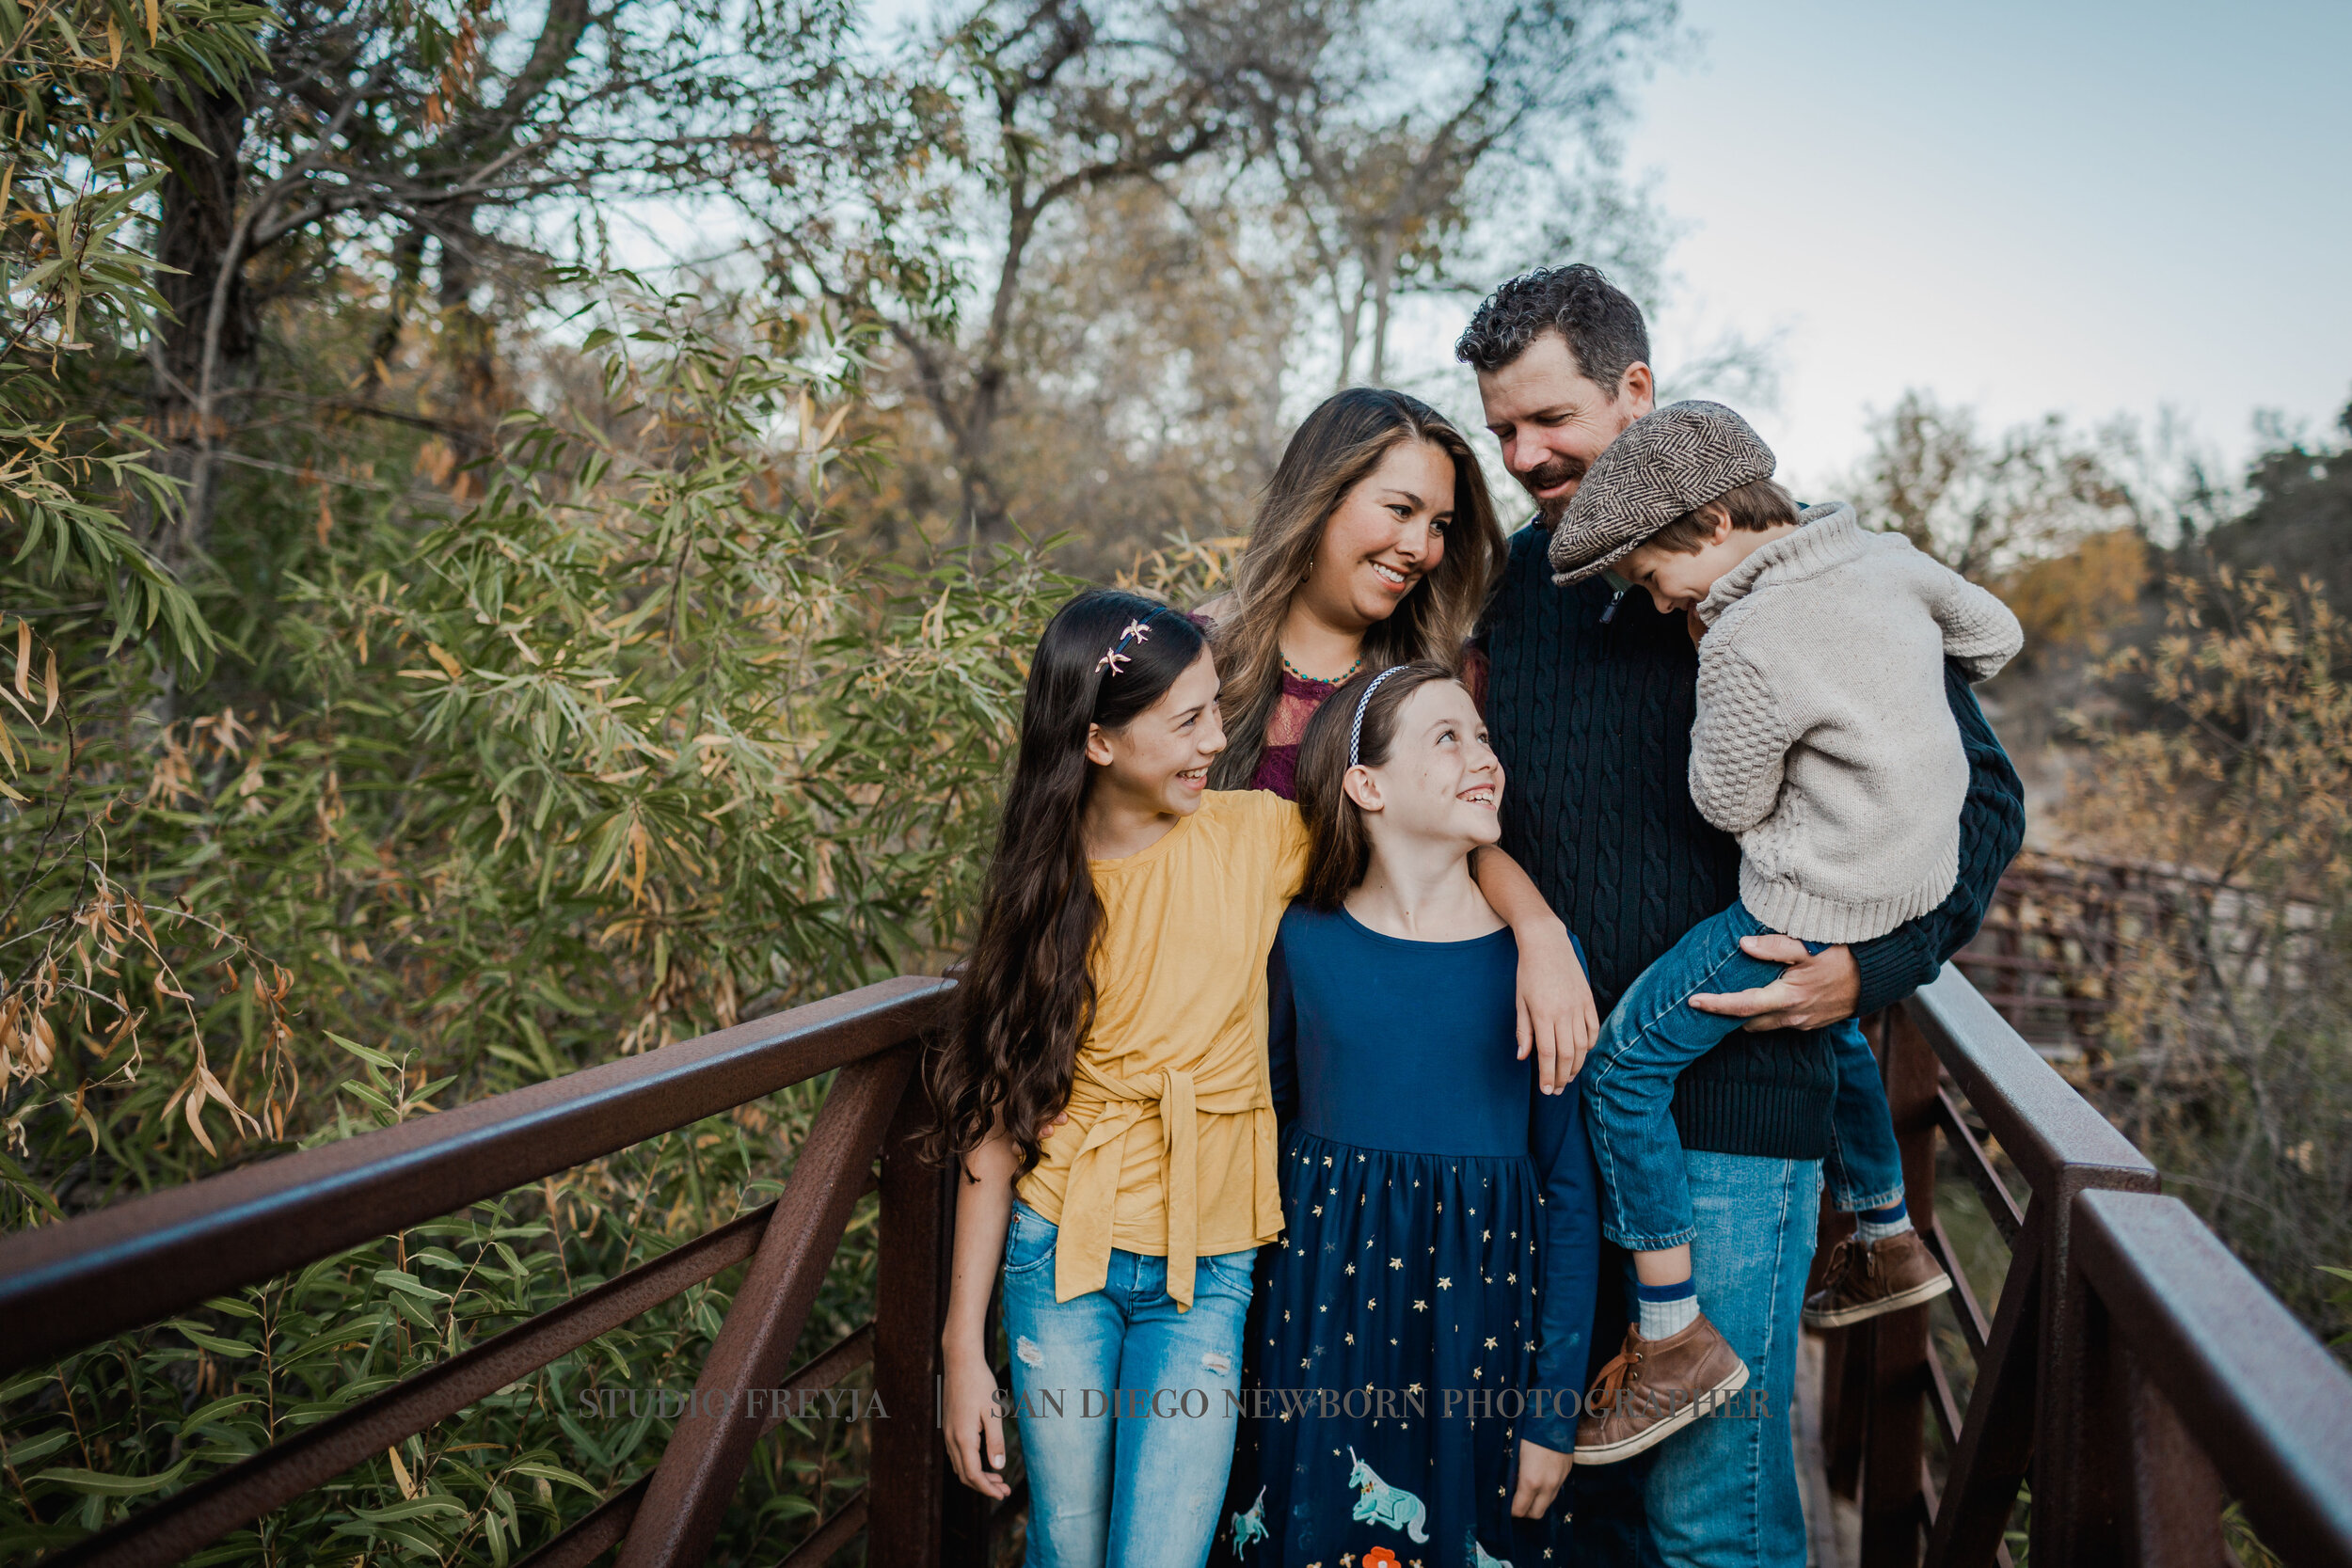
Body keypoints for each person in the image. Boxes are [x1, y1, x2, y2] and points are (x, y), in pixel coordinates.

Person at [1456, 266, 2026, 1567]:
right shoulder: (1510, 586)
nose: (1526, 454)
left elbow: (1980, 802)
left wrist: (1866, 968)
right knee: (1565, 1490)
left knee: (1711, 1509)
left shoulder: (1801, 575)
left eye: (1548, 418)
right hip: (1542, 1108)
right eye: (1501, 431)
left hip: (1728, 1102)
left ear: (1637, 392)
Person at [930, 588, 1602, 1568]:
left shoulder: (1254, 836)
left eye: (1216, 707)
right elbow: (996, 1120)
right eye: (1188, 718)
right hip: (1058, 1252)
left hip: (1208, 1265)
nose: (1219, 737)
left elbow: (1427, 840)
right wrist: (959, 1346)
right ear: (1100, 742)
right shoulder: (1043, 883)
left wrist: (1539, 930)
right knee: (1064, 1551)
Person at [1543, 401, 2019, 1465]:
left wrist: (1726, 660)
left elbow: (1722, 800)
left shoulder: (1746, 635)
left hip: (1805, 894)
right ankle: (1888, 1233)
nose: (1658, 604)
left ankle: (1672, 1339)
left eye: (1650, 579)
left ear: (1710, 524)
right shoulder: (1883, 556)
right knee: (1831, 1026)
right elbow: (1993, 635)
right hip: (1909, 880)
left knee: (1621, 1065)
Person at [1221, 660, 1599, 1568]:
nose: (1485, 757)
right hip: (1313, 1343)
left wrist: (1552, 1407)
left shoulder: (1540, 960)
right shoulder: (1299, 940)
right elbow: (1258, 1134)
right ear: (1367, 784)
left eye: (1483, 735)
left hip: (1483, 1347)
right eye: (1448, 737)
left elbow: (1571, 1194)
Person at [1202, 387, 1502, 800]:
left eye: (1439, 525)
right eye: (1401, 510)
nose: (1421, 549)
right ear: (1321, 500)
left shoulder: (1455, 675)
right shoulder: (1197, 657)